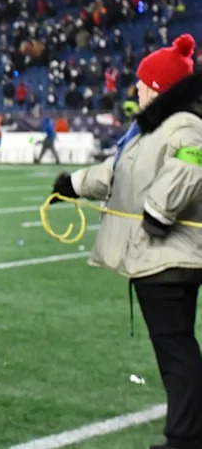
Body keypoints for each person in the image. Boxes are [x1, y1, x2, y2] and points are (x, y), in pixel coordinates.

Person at [51, 34, 201, 449]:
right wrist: (74, 185)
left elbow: (191, 166)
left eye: (142, 81)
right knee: (175, 348)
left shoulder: (184, 123)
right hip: (160, 256)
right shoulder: (155, 127)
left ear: (159, 86)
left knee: (176, 350)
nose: (137, 88)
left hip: (169, 256)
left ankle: (187, 437)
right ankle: (186, 430)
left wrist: (158, 212)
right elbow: (119, 173)